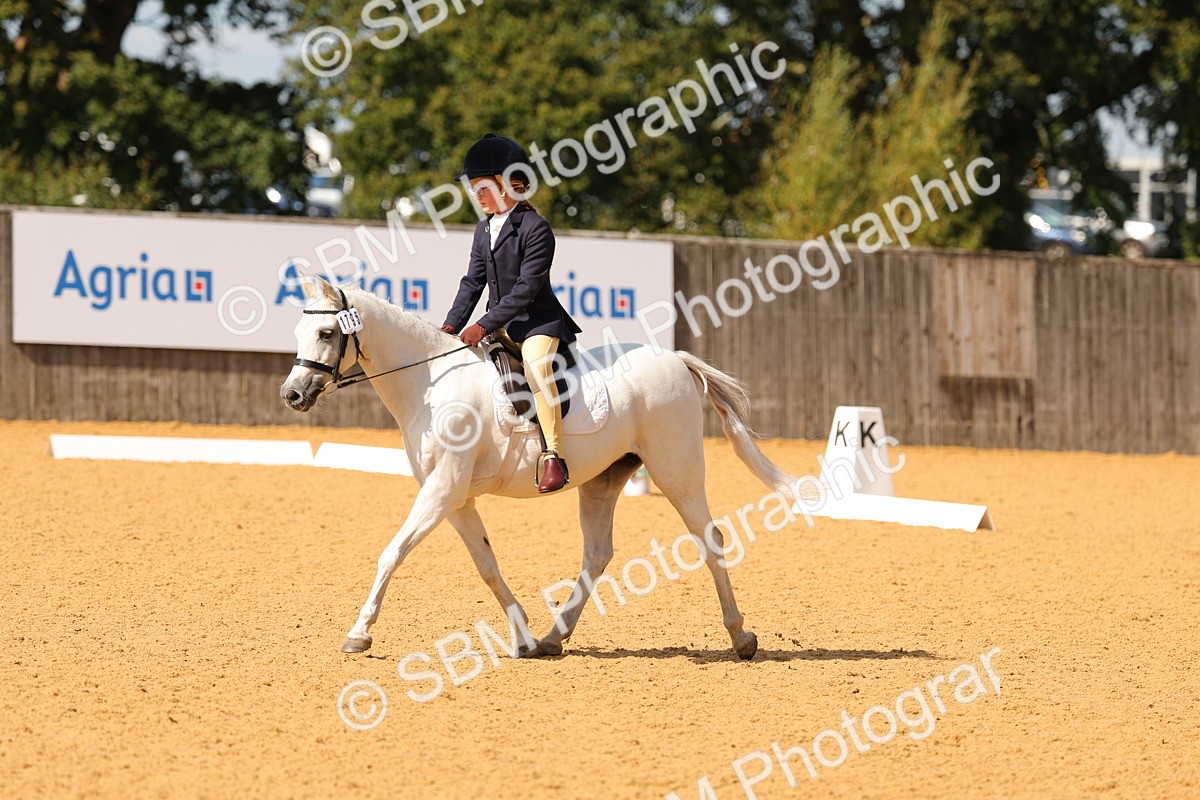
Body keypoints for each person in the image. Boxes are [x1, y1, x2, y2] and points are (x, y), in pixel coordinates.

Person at [440, 133, 583, 493]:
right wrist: (451, 324)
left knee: (536, 369)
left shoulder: (536, 228)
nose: (477, 195)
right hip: (501, 325)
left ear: (504, 184)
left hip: (538, 324)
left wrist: (483, 324)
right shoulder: (483, 228)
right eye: (474, 188)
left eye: (481, 187)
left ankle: (553, 455)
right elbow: (472, 282)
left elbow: (526, 289)